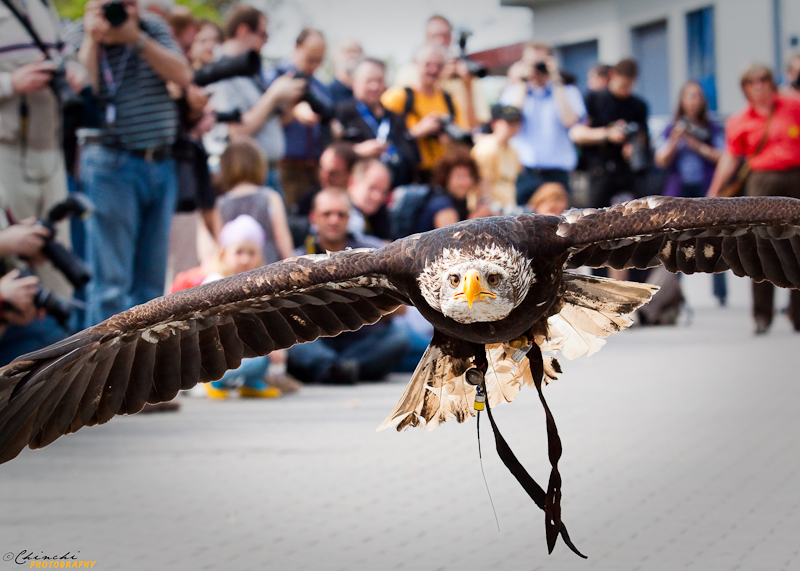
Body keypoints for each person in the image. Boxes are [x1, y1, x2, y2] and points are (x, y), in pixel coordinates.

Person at [66, 0, 194, 328]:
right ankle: (99, 372)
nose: (120, 9)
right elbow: (82, 88)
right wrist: (95, 38)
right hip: (111, 165)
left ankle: (142, 372)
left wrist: (135, 37)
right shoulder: (78, 32)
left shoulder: (151, 27)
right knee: (110, 284)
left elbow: (183, 74)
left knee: (151, 287)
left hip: (160, 163)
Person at [707, 63, 800, 334]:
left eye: (762, 80)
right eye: (751, 82)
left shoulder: (793, 106)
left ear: (771, 82)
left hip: (796, 180)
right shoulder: (739, 120)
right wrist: (713, 192)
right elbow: (731, 157)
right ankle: (762, 316)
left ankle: (798, 314)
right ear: (745, 88)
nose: (757, 85)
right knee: (762, 249)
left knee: (798, 249)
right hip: (761, 183)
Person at [288, 188, 408, 384]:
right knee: (293, 344)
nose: (334, 220)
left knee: (398, 339)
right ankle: (339, 368)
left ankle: (332, 369)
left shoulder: (373, 252)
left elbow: (401, 309)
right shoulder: (296, 260)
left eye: (340, 214)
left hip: (363, 339)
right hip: (319, 338)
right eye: (327, 214)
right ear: (313, 218)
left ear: (349, 218)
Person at [205, 5, 306, 191]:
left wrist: (289, 104)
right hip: (244, 175)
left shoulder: (250, 73)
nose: (266, 42)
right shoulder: (220, 71)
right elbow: (237, 132)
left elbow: (265, 122)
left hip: (266, 172)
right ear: (243, 31)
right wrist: (273, 95)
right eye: (263, 35)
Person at [655, 80, 726, 306]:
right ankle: (674, 294)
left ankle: (720, 292)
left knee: (715, 237)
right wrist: (676, 141)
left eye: (697, 96)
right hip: (679, 191)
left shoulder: (712, 128)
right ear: (682, 100)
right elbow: (661, 160)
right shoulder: (672, 128)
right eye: (689, 96)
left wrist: (697, 145)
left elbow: (724, 157)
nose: (693, 101)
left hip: (706, 188)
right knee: (674, 242)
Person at [201, 215, 282, 399]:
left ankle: (250, 383)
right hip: (215, 350)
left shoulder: (259, 286)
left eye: (251, 253)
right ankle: (213, 379)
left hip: (241, 348)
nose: (245, 259)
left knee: (270, 352)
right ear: (224, 254)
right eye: (239, 252)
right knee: (261, 354)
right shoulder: (214, 282)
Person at [500, 41, 586, 205]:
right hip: (524, 172)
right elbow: (510, 121)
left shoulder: (568, 91)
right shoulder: (513, 92)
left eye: (540, 63)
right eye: (531, 63)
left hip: (558, 172)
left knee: (558, 226)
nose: (536, 69)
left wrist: (556, 80)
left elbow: (569, 121)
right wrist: (524, 82)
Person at [570, 58, 650, 209]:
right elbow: (576, 133)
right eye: (623, 85)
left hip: (627, 174)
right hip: (599, 172)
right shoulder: (594, 99)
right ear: (612, 75)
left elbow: (643, 137)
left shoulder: (638, 105)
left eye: (630, 86)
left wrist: (634, 146)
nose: (626, 90)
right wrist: (608, 134)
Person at [267, 28, 334, 207]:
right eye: (310, 59)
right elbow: (265, 122)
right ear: (297, 47)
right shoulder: (275, 76)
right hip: (285, 168)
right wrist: (293, 111)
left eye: (319, 61)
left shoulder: (320, 87)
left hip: (315, 170)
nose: (314, 65)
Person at [381, 43, 466, 182]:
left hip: (441, 174)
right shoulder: (397, 96)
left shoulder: (449, 99)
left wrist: (449, 138)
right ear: (415, 64)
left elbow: (462, 133)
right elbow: (380, 135)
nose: (433, 70)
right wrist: (416, 132)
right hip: (408, 173)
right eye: (428, 64)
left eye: (439, 66)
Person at [336, 58, 419, 187]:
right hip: (358, 190)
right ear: (354, 82)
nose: (375, 86)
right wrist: (355, 151)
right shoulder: (341, 113)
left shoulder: (396, 117)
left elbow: (412, 154)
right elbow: (329, 151)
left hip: (398, 190)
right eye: (369, 81)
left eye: (379, 81)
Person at [393, 15, 489, 126]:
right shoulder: (409, 71)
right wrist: (439, 77)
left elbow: (474, 124)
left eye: (445, 35)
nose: (440, 40)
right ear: (426, 38)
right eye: (434, 35)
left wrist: (467, 84)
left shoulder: (465, 74)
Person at [213, 137, 294, 264]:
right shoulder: (270, 197)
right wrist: (292, 264)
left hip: (236, 276)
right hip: (270, 272)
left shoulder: (221, 203)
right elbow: (282, 237)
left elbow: (221, 244)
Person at [415, 148, 484, 234]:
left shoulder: (459, 201)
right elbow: (454, 241)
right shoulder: (442, 205)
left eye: (469, 176)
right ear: (446, 178)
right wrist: (476, 218)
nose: (466, 182)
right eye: (459, 177)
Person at [471, 104, 523, 207]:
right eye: (509, 123)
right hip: (491, 210)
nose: (514, 127)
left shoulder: (513, 150)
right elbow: (482, 182)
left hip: (507, 206)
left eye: (517, 123)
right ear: (495, 123)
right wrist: (486, 208)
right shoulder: (486, 148)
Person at [346, 159, 392, 240]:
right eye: (372, 188)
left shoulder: (379, 215)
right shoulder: (342, 213)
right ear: (352, 182)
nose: (378, 197)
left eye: (383, 192)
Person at [328, 38, 362, 105]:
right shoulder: (327, 93)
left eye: (357, 51)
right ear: (335, 58)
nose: (353, 55)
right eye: (348, 51)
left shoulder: (365, 95)